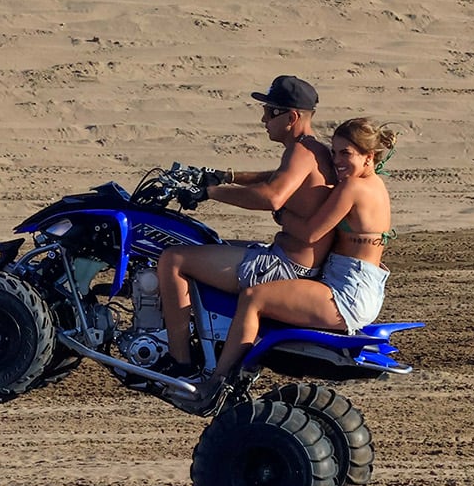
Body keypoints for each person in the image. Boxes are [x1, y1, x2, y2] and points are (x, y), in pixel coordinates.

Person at [193, 117, 396, 400]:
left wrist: (279, 210)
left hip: (346, 292)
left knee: (254, 297)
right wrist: (231, 177)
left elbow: (311, 233)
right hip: (362, 285)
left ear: (369, 156)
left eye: (345, 154)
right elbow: (281, 176)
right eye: (334, 152)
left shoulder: (352, 188)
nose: (337, 161)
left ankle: (217, 382)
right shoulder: (372, 185)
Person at [155, 76, 336, 379]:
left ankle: (180, 363)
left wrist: (209, 193)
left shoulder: (300, 153)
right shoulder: (313, 150)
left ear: (291, 117)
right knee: (207, 241)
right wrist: (223, 176)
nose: (263, 119)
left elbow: (273, 195)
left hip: (284, 266)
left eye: (270, 111)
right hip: (292, 261)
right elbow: (275, 177)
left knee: (173, 259)